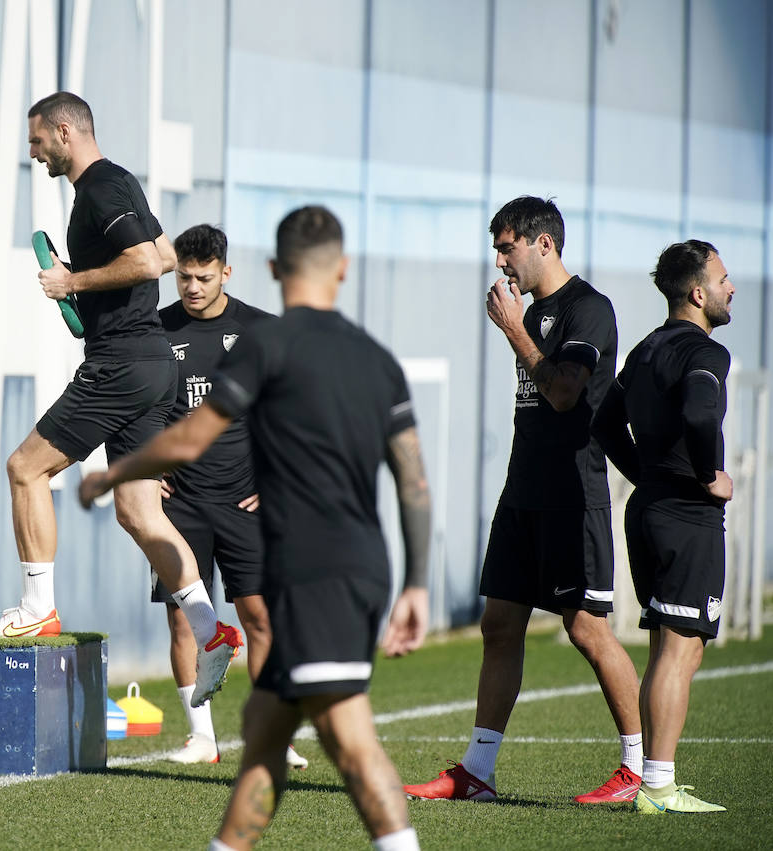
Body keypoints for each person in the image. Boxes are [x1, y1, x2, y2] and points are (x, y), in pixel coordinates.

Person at [80, 205, 431, 851]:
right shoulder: (377, 358)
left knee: (352, 745)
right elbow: (414, 480)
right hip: (358, 564)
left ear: (267, 269)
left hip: (318, 571)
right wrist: (416, 582)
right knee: (263, 736)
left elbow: (191, 436)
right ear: (344, 269)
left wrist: (113, 473)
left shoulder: (268, 341)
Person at [0, 92, 241, 707]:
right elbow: (169, 253)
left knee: (24, 468)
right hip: (150, 366)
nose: (33, 152)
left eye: (37, 140)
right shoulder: (114, 186)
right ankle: (212, 628)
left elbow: (149, 262)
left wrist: (74, 281)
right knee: (139, 513)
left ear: (65, 132)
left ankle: (38, 608)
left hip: (121, 363)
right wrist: (89, 288)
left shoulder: (101, 187)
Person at [404, 196, 643, 805]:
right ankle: (477, 772)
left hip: (572, 496)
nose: (500, 260)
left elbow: (565, 394)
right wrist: (520, 327)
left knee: (586, 630)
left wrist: (514, 332)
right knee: (499, 624)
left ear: (544, 244)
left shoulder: (588, 310)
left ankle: (640, 769)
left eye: (507, 247)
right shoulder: (532, 311)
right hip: (523, 492)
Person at [150, 224, 306, 769]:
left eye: (203, 277)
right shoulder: (154, 329)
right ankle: (201, 738)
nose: (191, 287)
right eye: (183, 277)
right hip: (179, 502)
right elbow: (130, 407)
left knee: (260, 616)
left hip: (244, 499)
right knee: (182, 618)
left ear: (226, 273)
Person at [591, 240, 735, 814]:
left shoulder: (647, 349)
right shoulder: (704, 353)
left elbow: (604, 423)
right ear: (697, 293)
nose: (731, 288)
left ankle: (656, 777)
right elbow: (702, 413)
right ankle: (657, 786)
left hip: (649, 508)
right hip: (685, 516)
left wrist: (647, 475)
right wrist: (706, 477)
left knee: (671, 649)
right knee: (679, 651)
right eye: (723, 279)